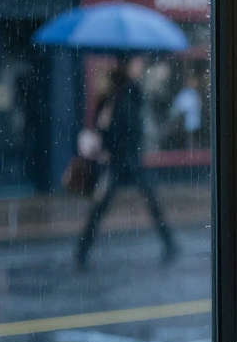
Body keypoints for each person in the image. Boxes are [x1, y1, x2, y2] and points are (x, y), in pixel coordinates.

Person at [76, 56, 177, 268]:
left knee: (150, 201)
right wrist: (106, 138)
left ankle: (170, 243)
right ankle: (82, 251)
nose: (140, 67)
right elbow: (115, 128)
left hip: (129, 159)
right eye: (137, 63)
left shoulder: (131, 92)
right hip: (119, 161)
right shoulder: (117, 94)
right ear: (128, 65)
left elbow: (130, 128)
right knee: (101, 207)